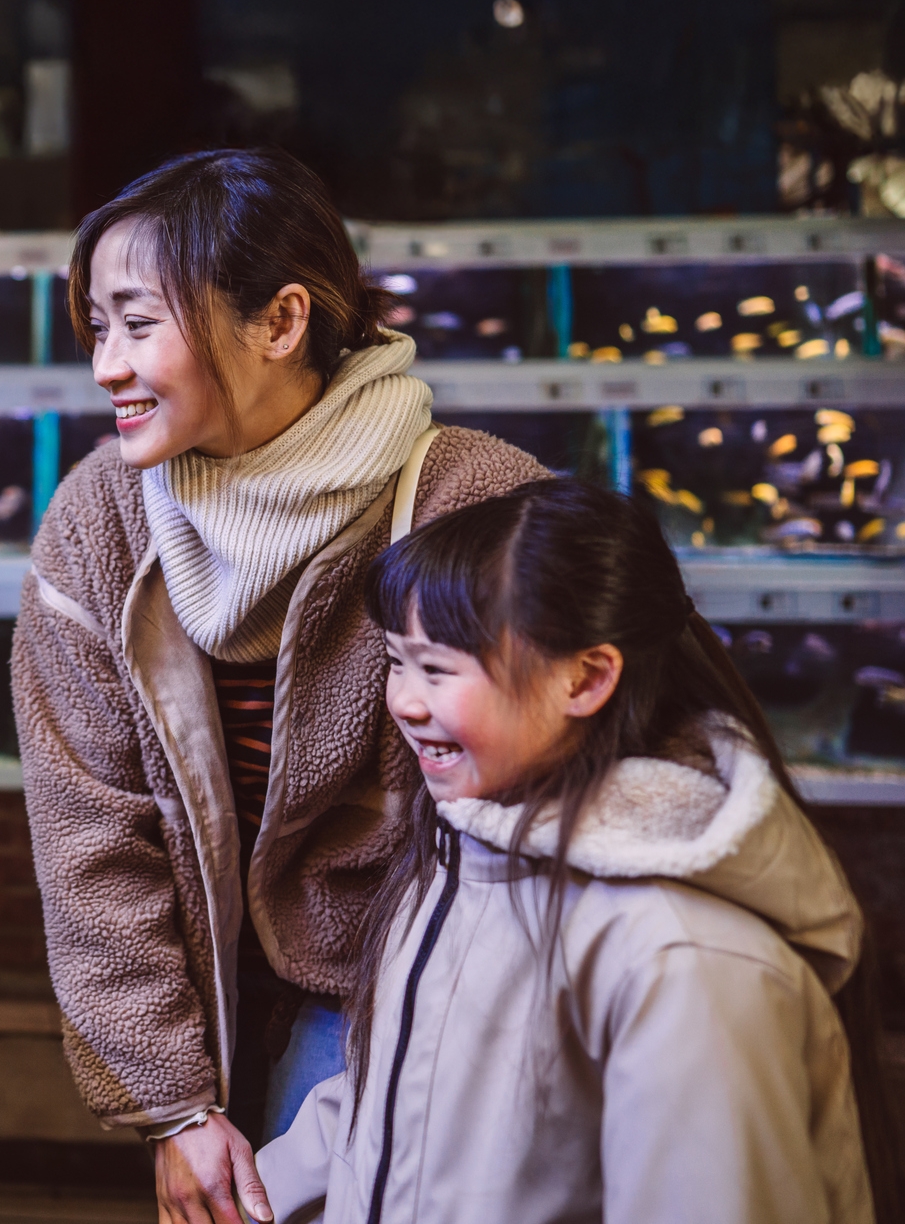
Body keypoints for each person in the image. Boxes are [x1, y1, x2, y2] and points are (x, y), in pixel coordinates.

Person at [13, 148, 546, 1224]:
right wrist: (168, 1102)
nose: (106, 366)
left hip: (406, 976)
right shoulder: (97, 520)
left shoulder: (476, 502)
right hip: (205, 983)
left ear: (281, 320)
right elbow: (88, 840)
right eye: (97, 328)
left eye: (137, 322)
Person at [256, 478, 888, 1223]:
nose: (404, 700)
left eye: (437, 669)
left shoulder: (681, 958)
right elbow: (392, 1108)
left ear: (585, 678)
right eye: (396, 661)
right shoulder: (465, 855)